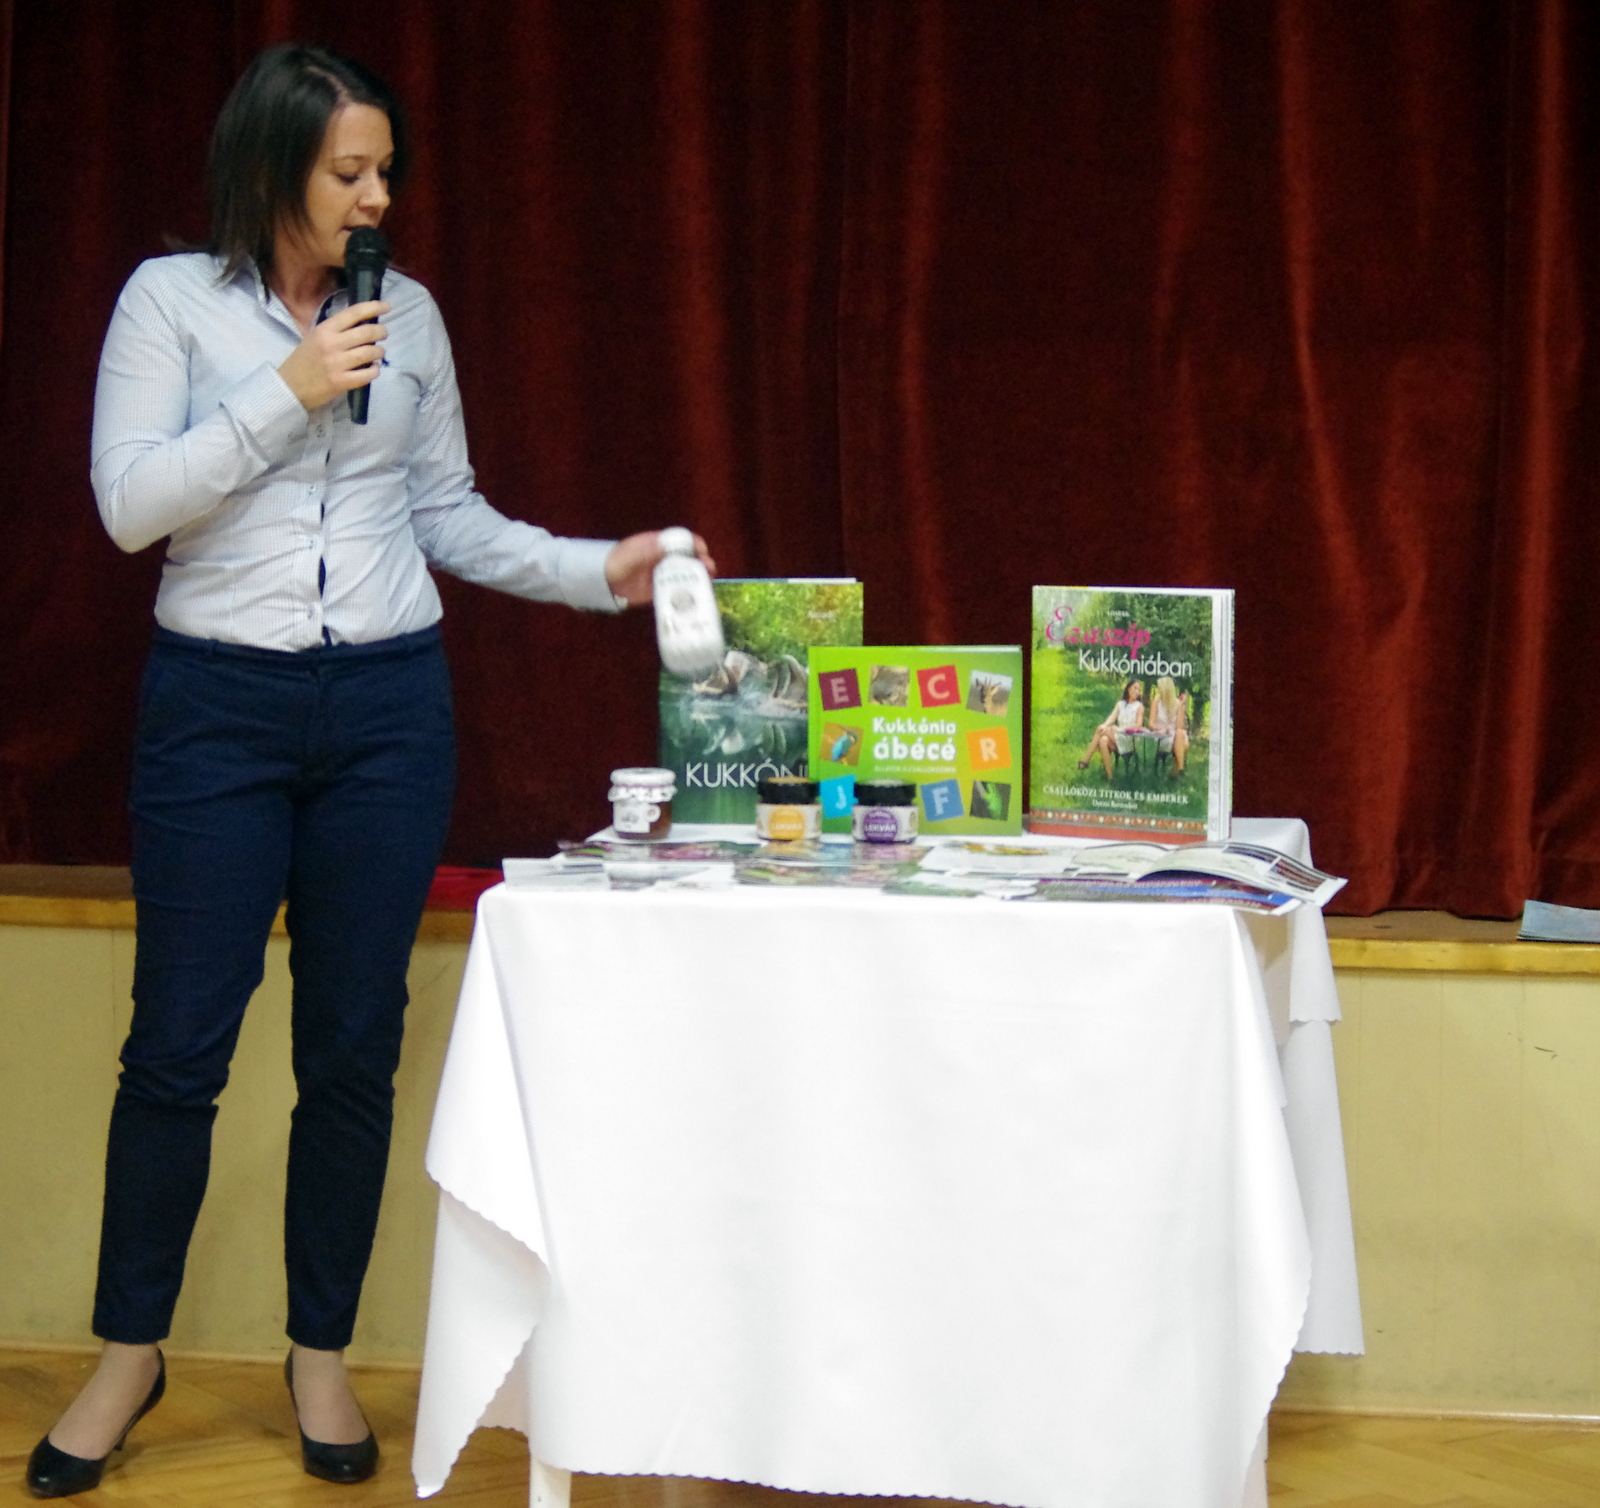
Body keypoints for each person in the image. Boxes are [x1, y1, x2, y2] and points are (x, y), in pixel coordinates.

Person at [26, 44, 712, 1498]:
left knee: (352, 1048)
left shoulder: (414, 319)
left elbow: (447, 513)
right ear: (274, 167)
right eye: (349, 171)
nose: (376, 197)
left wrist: (600, 568)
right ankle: (129, 1352)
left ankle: (319, 1351)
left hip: (388, 713)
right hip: (217, 710)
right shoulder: (168, 303)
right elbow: (130, 506)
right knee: (178, 1048)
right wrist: (285, 390)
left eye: (384, 171)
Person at [1076, 679, 1144, 778]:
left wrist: (1120, 729)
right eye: (1135, 688)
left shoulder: (1139, 706)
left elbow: (1138, 726)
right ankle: (1110, 777)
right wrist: (1105, 725)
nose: (1137, 691)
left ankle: (1085, 761)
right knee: (1103, 740)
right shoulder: (1120, 704)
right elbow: (1112, 717)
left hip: (1130, 739)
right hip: (1118, 737)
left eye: (1139, 689)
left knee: (1101, 730)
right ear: (1129, 689)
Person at [1148, 674, 1190, 776]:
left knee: (1179, 734)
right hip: (1162, 736)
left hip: (1176, 735)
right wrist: (1160, 729)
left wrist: (1181, 707)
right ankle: (1177, 772)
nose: (1158, 691)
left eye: (1159, 688)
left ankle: (1178, 771)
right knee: (1184, 745)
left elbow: (1179, 726)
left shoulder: (1177, 703)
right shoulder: (1156, 702)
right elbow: (1151, 724)